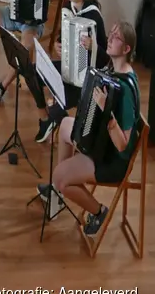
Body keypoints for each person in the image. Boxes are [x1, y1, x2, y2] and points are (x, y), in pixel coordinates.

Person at [40, 21, 140, 235]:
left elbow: (123, 146)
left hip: (113, 160)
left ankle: (98, 211)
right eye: (111, 34)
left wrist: (106, 113)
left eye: (116, 37)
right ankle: (58, 193)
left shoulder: (126, 90)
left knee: (60, 176)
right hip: (103, 144)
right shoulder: (113, 71)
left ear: (127, 49)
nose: (110, 39)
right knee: (66, 124)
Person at [33, 0, 108, 143]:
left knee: (63, 98)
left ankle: (56, 119)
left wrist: (93, 47)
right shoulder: (67, 7)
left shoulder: (94, 16)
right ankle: (46, 117)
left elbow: (106, 59)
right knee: (34, 71)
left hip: (87, 78)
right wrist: (59, 47)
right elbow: (62, 38)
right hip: (69, 69)